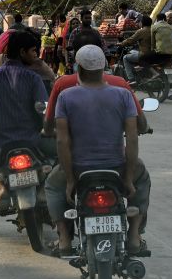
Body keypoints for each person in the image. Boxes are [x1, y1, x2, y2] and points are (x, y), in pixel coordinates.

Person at [44, 45, 150, 258]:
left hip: (79, 167)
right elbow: (131, 138)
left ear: (78, 68)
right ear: (104, 69)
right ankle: (134, 235)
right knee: (142, 179)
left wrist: (70, 180)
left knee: (52, 186)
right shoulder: (123, 95)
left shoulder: (66, 96)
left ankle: (64, 239)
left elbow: (62, 142)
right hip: (116, 166)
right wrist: (128, 179)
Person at [0, 31, 55, 237]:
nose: (36, 55)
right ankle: (43, 190)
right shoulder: (34, 78)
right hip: (33, 141)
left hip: (0, 142)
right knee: (56, 159)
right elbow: (43, 110)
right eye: (34, 51)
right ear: (22, 52)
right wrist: (47, 129)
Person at [120, 16, 155, 83]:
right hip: (155, 54)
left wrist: (121, 43)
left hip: (145, 54)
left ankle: (131, 78)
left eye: (140, 22)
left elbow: (131, 40)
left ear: (142, 23)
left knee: (125, 58)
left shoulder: (141, 31)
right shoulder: (154, 30)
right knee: (134, 52)